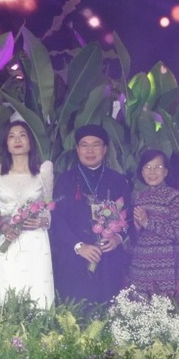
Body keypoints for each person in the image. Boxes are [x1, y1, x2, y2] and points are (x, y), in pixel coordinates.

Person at [51, 124, 131, 304]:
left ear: (105, 149)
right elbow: (57, 220)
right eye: (84, 145)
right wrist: (79, 246)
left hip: (108, 258)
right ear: (77, 149)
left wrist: (117, 237)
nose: (90, 150)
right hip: (74, 257)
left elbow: (129, 216)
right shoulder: (65, 180)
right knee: (76, 313)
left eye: (95, 145)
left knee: (108, 309)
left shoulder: (118, 180)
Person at [0, 121, 54, 309]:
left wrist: (43, 220)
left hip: (36, 239)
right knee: (8, 287)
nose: (17, 140)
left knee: (37, 289)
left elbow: (49, 206)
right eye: (11, 136)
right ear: (6, 143)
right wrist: (2, 226)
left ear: (31, 141)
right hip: (6, 238)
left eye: (22, 135)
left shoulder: (43, 171)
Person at [129, 149, 179, 294]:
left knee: (166, 310)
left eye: (158, 167)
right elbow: (138, 235)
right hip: (141, 263)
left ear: (166, 172)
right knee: (140, 311)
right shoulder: (140, 196)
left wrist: (147, 223)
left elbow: (177, 233)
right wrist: (137, 227)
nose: (152, 172)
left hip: (166, 265)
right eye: (148, 167)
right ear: (142, 172)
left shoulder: (174, 196)